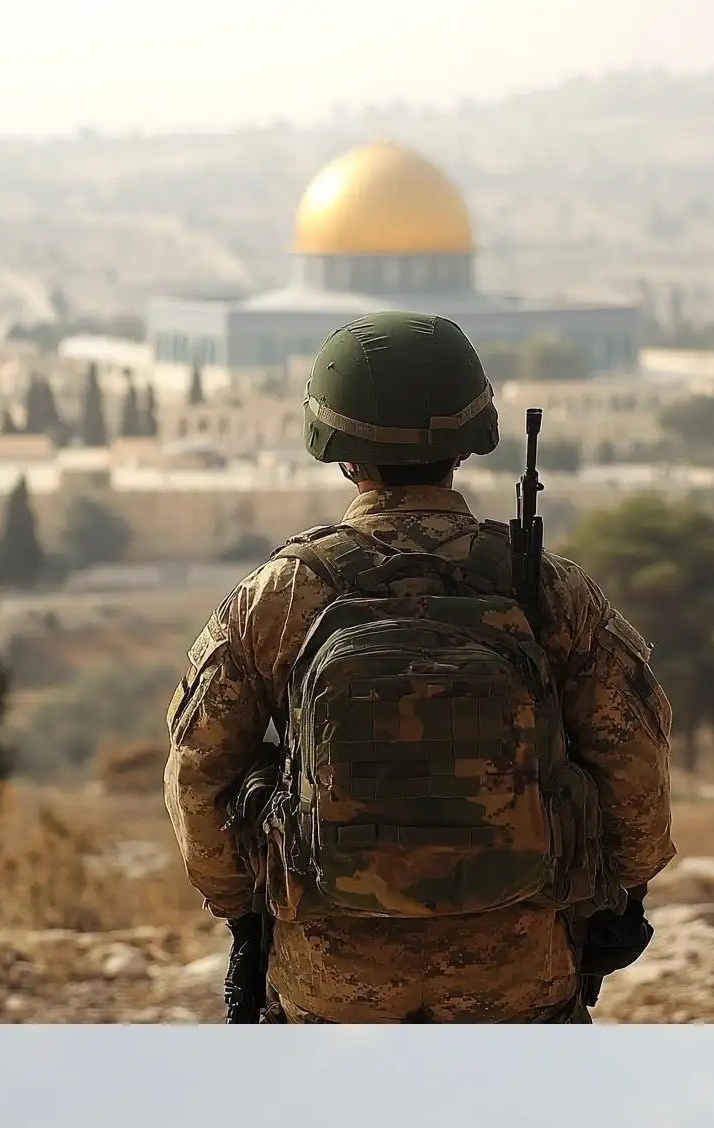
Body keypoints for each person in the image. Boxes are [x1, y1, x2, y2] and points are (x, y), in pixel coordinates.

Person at [165, 313, 672, 1022]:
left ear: (340, 451)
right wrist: (593, 901)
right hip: (519, 974)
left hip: (330, 982)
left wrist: (253, 906)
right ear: (469, 443)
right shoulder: (550, 591)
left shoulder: (281, 595)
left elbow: (199, 781)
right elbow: (636, 785)